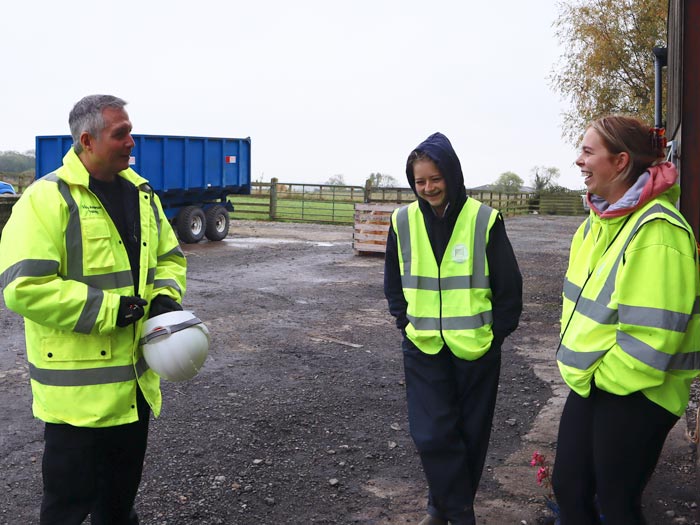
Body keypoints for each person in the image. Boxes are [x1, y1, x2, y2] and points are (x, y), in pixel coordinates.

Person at [0, 94, 187, 524]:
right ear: (87, 140)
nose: (131, 142)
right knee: (66, 510)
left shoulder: (141, 194)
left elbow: (170, 258)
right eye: (121, 134)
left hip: (133, 390)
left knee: (118, 509)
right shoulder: (45, 200)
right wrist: (110, 310)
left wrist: (165, 296)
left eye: (130, 131)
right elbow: (23, 287)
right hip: (77, 401)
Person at [552, 115, 700, 524]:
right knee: (570, 488)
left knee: (616, 502)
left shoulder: (657, 230)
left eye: (587, 151)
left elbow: (651, 340)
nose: (578, 161)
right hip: (596, 381)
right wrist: (587, 374)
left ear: (620, 163)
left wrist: (599, 378)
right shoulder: (597, 223)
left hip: (637, 391)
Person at [384, 132, 523, 525]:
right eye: (419, 181)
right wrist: (404, 322)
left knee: (469, 435)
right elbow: (393, 282)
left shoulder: (483, 219)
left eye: (435, 179)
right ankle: (461, 514)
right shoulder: (402, 220)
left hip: (477, 348)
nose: (427, 188)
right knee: (431, 434)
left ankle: (438, 508)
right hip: (423, 344)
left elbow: (509, 288)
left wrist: (496, 334)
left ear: (452, 174)